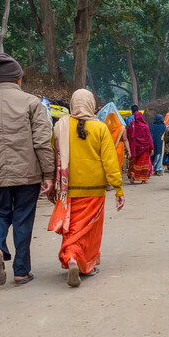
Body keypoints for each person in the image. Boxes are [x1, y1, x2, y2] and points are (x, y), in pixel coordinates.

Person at [0, 52, 54, 286]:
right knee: (23, 218)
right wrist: (49, 174)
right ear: (19, 79)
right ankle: (21, 271)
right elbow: (42, 142)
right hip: (27, 174)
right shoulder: (32, 102)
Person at [49, 89, 125, 287]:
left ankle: (72, 257)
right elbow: (110, 161)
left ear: (73, 104)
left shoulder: (60, 126)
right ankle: (84, 265)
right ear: (91, 105)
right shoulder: (100, 129)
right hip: (95, 189)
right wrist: (118, 189)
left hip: (68, 189)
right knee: (89, 230)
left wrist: (49, 183)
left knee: (71, 228)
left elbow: (53, 156)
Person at [126, 111, 154, 183]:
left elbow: (128, 136)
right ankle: (143, 179)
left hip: (134, 148)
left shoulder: (132, 125)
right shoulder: (145, 126)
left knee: (135, 162)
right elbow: (148, 137)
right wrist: (151, 148)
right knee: (143, 163)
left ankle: (133, 173)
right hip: (144, 148)